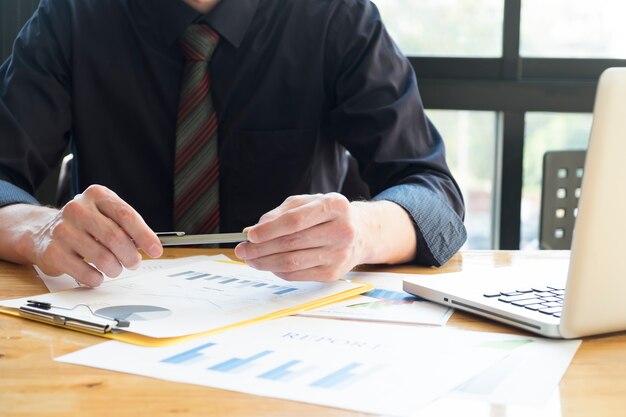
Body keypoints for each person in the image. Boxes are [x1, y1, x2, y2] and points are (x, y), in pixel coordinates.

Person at [0, 0, 466, 287]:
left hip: (295, 319)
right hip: (109, 304)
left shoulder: (336, 16)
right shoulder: (71, 15)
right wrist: (38, 229)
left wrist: (363, 231)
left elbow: (432, 195)